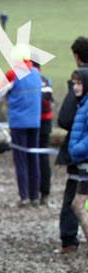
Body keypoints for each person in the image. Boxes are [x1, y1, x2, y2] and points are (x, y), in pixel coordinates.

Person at [0, 46, 42, 206]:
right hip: (35, 122)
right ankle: (35, 196)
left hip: (18, 123)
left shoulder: (13, 73)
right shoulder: (37, 73)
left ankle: (24, 197)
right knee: (34, 159)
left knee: (21, 160)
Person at [57, 36, 88, 253]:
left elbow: (65, 118)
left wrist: (76, 148)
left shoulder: (82, 82)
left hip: (81, 156)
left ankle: (69, 240)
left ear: (77, 57)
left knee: (75, 200)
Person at [68, 68, 88, 243]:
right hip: (83, 164)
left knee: (79, 205)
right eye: (74, 83)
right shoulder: (82, 103)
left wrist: (77, 149)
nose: (75, 87)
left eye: (79, 83)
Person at [35, 61, 55, 206]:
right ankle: (45, 193)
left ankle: (34, 192)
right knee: (43, 157)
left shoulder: (28, 78)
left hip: (33, 122)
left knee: (33, 157)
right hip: (46, 122)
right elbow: (50, 101)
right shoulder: (46, 80)